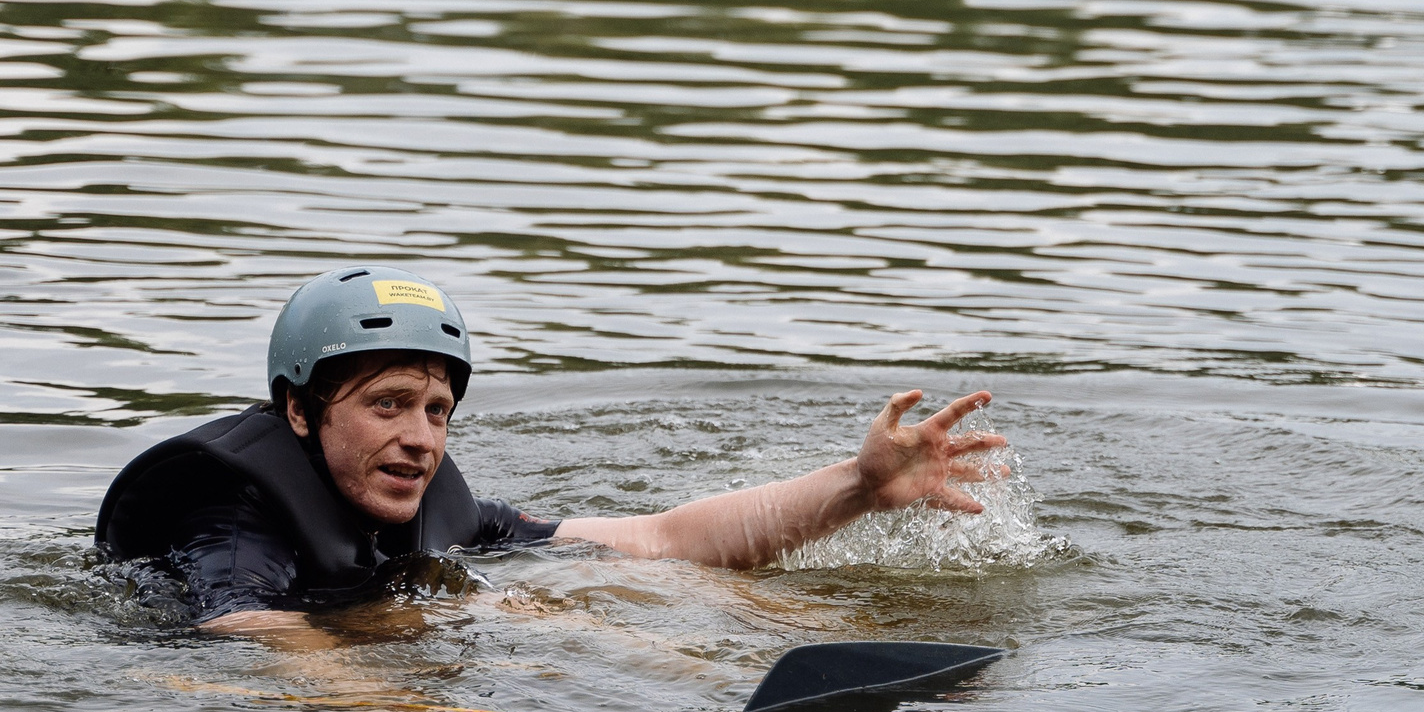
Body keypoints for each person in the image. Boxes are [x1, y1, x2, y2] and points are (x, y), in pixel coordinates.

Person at [95, 265, 1005, 644]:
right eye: (388, 405)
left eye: (438, 409)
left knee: (613, 595)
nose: (420, 436)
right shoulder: (229, 511)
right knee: (496, 622)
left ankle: (732, 671)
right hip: (238, 664)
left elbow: (656, 538)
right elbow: (241, 630)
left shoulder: (430, 504)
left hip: (366, 616)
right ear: (298, 409)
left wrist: (857, 484)